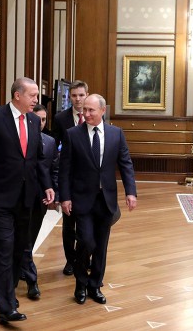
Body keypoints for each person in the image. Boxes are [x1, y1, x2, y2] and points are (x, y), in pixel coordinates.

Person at [0, 77, 54, 324]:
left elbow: (37, 160)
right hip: (0, 196)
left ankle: (9, 295)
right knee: (4, 248)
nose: (36, 100)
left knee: (19, 249)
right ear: (18, 95)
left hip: (27, 197)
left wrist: (47, 185)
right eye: (33, 95)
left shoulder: (35, 121)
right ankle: (5, 307)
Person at [59, 94, 137, 305]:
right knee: (86, 241)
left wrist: (131, 192)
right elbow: (64, 169)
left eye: (91, 110)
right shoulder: (72, 134)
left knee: (101, 246)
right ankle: (80, 283)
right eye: (85, 110)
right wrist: (64, 197)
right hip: (81, 199)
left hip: (106, 199)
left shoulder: (116, 134)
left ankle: (94, 286)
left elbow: (126, 164)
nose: (86, 114)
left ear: (103, 111)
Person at [20, 104, 59, 300]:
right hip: (18, 197)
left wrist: (54, 194)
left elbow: (54, 171)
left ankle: (23, 266)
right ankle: (31, 280)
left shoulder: (50, 142)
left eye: (43, 120)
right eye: (37, 119)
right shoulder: (19, 138)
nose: (40, 124)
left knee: (30, 238)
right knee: (23, 240)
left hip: (39, 199)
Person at [51, 80, 89, 276]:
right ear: (69, 97)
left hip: (88, 178)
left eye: (81, 95)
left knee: (86, 222)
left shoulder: (93, 115)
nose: (78, 99)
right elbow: (54, 147)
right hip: (68, 176)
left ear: (86, 95)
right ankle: (70, 260)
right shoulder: (60, 118)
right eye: (74, 95)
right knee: (69, 223)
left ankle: (84, 258)